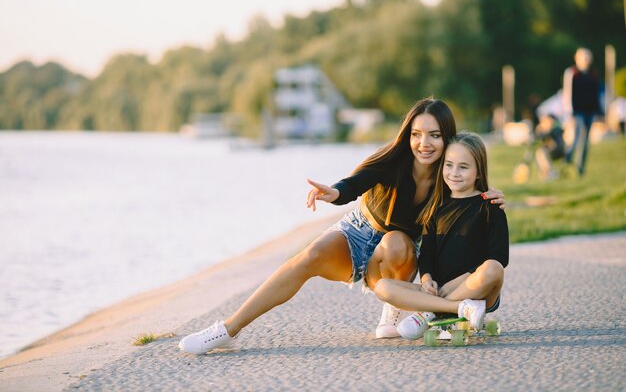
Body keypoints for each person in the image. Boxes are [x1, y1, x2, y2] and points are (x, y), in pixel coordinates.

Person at [178, 98, 506, 355]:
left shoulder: (448, 175)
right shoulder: (393, 159)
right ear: (407, 134)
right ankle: (228, 329)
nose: (424, 143)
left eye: (434, 135)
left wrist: (491, 196)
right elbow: (356, 182)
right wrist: (336, 193)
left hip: (396, 255)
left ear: (446, 137)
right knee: (306, 259)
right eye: (416, 134)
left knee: (397, 242)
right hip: (358, 232)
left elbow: (470, 195)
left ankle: (394, 308)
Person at [372, 132, 508, 338]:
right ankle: (458, 309)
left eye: (463, 167)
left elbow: (500, 256)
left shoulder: (490, 206)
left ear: (479, 172)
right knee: (382, 287)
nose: (454, 173)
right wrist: (426, 279)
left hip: (477, 289)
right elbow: (427, 255)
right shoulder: (436, 207)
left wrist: (451, 287)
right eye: (449, 164)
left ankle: (428, 313)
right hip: (440, 290)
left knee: (493, 268)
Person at [562, 48, 601, 175]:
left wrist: (599, 111)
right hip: (577, 111)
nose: (586, 60)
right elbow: (568, 93)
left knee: (584, 139)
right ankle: (567, 158)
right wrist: (569, 112)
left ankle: (580, 167)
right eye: (583, 57)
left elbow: (596, 94)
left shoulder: (593, 74)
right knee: (578, 137)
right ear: (577, 58)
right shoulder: (572, 73)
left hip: (590, 111)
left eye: (587, 57)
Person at [534, 113, 565, 181]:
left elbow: (554, 144)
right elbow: (538, 138)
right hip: (551, 151)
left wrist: (543, 131)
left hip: (558, 151)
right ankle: (546, 173)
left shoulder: (556, 129)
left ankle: (549, 173)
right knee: (540, 153)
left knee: (541, 153)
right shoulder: (547, 130)